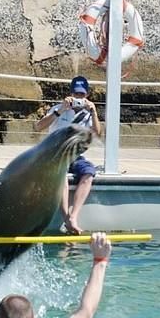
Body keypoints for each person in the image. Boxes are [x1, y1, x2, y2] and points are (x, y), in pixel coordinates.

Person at [34, 76, 103, 235]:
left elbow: (97, 134)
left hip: (75, 155)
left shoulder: (88, 113)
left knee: (89, 172)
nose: (79, 98)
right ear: (70, 94)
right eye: (76, 94)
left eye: (82, 95)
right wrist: (61, 110)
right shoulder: (58, 108)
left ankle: (73, 216)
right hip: (56, 154)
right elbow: (39, 126)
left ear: (87, 96)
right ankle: (65, 217)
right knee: (61, 174)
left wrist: (93, 113)